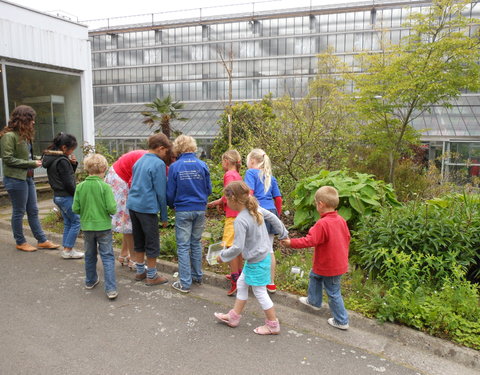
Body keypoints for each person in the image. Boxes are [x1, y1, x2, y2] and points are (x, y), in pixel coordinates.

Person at [214, 181, 288, 335]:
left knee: (260, 292)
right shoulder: (255, 209)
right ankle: (234, 317)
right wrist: (283, 233)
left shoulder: (241, 219)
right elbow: (273, 217)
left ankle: (273, 325)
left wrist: (222, 256)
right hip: (261, 257)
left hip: (256, 260)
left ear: (233, 199)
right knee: (241, 283)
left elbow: (237, 247)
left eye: (226, 199)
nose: (226, 202)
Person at [281, 186, 350, 330]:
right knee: (315, 276)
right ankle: (314, 300)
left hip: (329, 265)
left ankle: (342, 320)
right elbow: (347, 238)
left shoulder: (322, 223)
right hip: (334, 262)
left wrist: (291, 243)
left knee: (333, 292)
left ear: (320, 204)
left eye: (315, 203)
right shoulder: (341, 220)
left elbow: (309, 241)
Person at [0, 105, 59, 252]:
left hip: (28, 178)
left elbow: (27, 157)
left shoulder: (24, 136)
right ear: (23, 119)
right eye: (31, 119)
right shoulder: (9, 136)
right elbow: (7, 159)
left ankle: (42, 240)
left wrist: (43, 158)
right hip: (15, 179)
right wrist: (31, 163)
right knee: (19, 212)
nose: (33, 122)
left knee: (33, 210)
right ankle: (20, 241)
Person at [167, 135, 212, 293]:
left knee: (183, 246)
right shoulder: (202, 165)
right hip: (200, 208)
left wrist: (172, 205)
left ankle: (185, 283)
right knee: (196, 243)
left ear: (178, 147)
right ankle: (197, 276)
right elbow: (209, 189)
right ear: (193, 147)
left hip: (183, 209)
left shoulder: (175, 166)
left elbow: (170, 193)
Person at [127, 134, 172, 286]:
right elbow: (161, 192)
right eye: (166, 151)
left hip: (133, 206)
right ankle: (152, 276)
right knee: (152, 242)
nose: (166, 155)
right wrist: (164, 217)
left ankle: (140, 272)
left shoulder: (139, 161)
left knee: (138, 240)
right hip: (147, 208)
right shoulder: (158, 164)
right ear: (161, 148)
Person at [73, 153, 118, 299]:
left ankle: (90, 280)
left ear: (87, 168)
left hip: (87, 227)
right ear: (104, 168)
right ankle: (111, 288)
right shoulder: (105, 187)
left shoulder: (80, 187)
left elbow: (75, 208)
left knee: (90, 254)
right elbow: (112, 208)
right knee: (108, 256)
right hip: (103, 227)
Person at [244, 148, 282, 293]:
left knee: (253, 247)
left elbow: (249, 194)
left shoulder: (251, 173)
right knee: (269, 249)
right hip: (271, 212)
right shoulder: (270, 177)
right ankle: (270, 283)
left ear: (252, 161)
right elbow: (278, 199)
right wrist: (276, 215)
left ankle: (253, 280)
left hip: (257, 212)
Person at [42, 133, 83, 259]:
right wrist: (78, 196)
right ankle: (68, 250)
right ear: (64, 148)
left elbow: (64, 176)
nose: (71, 152)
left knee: (68, 222)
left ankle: (67, 248)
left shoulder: (52, 158)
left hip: (58, 196)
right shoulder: (62, 161)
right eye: (71, 149)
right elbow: (69, 182)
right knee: (77, 221)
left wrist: (73, 165)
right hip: (66, 196)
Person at [207, 150, 243, 296]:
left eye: (222, 161)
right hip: (239, 215)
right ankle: (239, 274)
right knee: (237, 248)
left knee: (230, 248)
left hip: (232, 216)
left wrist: (219, 203)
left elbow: (229, 194)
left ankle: (235, 280)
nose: (222, 164)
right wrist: (219, 202)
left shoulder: (229, 174)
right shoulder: (238, 175)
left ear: (227, 161)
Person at [104, 149, 148, 269]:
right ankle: (133, 260)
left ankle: (124, 254)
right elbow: (132, 182)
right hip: (120, 179)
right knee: (128, 221)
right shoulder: (150, 160)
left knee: (126, 219)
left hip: (117, 174)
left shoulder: (150, 156)